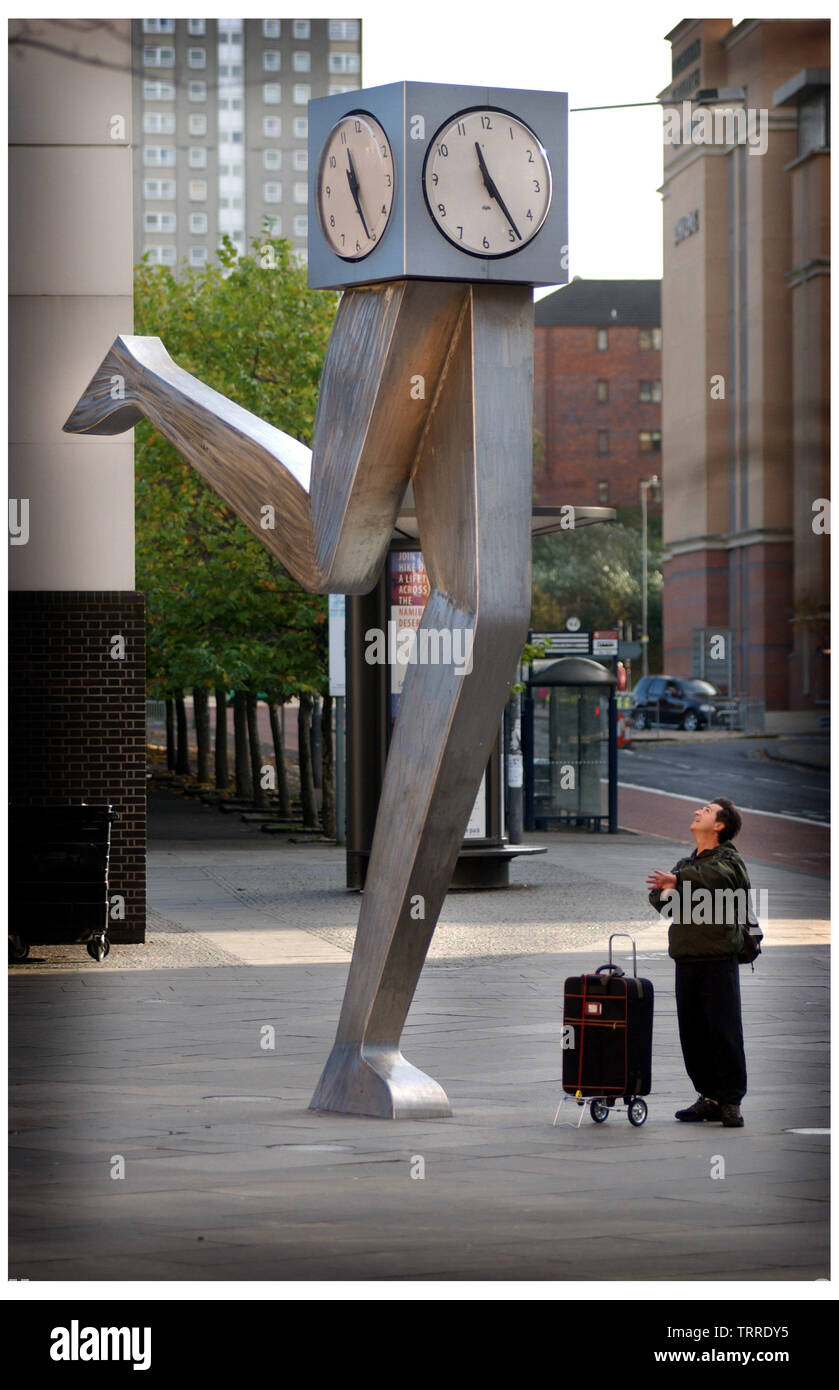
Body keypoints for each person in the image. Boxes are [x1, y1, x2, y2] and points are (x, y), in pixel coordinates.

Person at [646, 797, 750, 1128]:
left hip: (719, 959)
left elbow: (718, 878)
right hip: (687, 958)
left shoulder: (729, 860)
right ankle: (708, 1097)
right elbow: (667, 906)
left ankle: (731, 1101)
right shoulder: (687, 863)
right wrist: (664, 891)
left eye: (705, 811)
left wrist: (678, 881)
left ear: (719, 825)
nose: (697, 812)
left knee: (724, 1030)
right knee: (693, 1033)